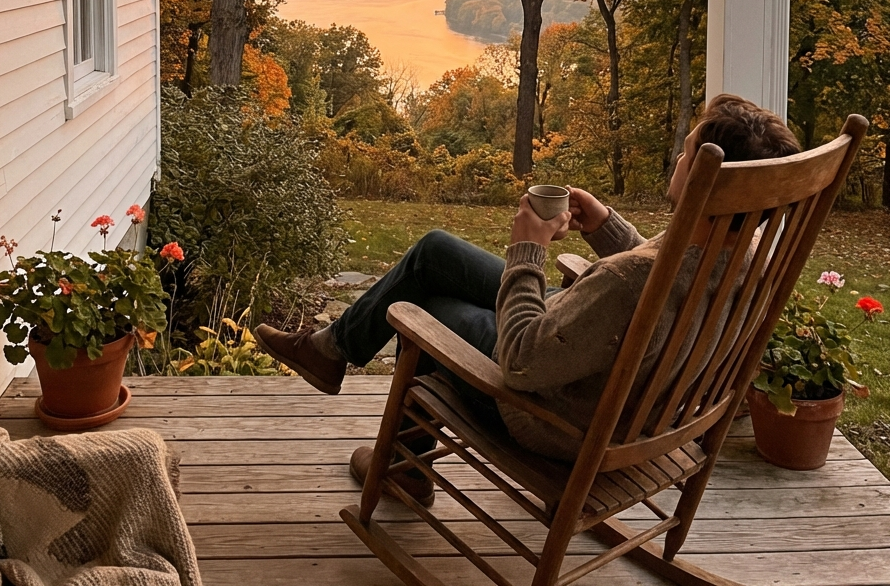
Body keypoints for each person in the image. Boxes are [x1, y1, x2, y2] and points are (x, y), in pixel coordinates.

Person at [254, 94, 800, 504]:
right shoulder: (747, 254)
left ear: (711, 182)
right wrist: (607, 227)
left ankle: (404, 468)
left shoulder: (630, 282)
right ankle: (329, 350)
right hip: (625, 398)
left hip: (555, 413)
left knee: (423, 309)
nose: (679, 162)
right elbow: (667, 284)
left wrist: (528, 249)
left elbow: (521, 359)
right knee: (436, 252)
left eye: (686, 156)